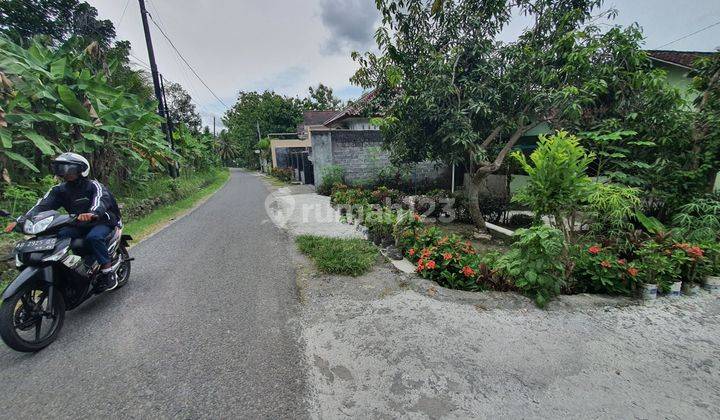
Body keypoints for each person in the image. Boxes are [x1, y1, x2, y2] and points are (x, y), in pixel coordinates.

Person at [4, 153, 122, 292]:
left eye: (68, 168)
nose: (64, 172)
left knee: (94, 237)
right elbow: (41, 206)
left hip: (101, 221)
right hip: (78, 223)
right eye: (61, 168)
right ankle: (71, 268)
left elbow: (100, 200)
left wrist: (93, 213)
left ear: (81, 170)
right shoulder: (59, 190)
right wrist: (20, 220)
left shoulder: (94, 185)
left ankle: (107, 271)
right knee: (59, 236)